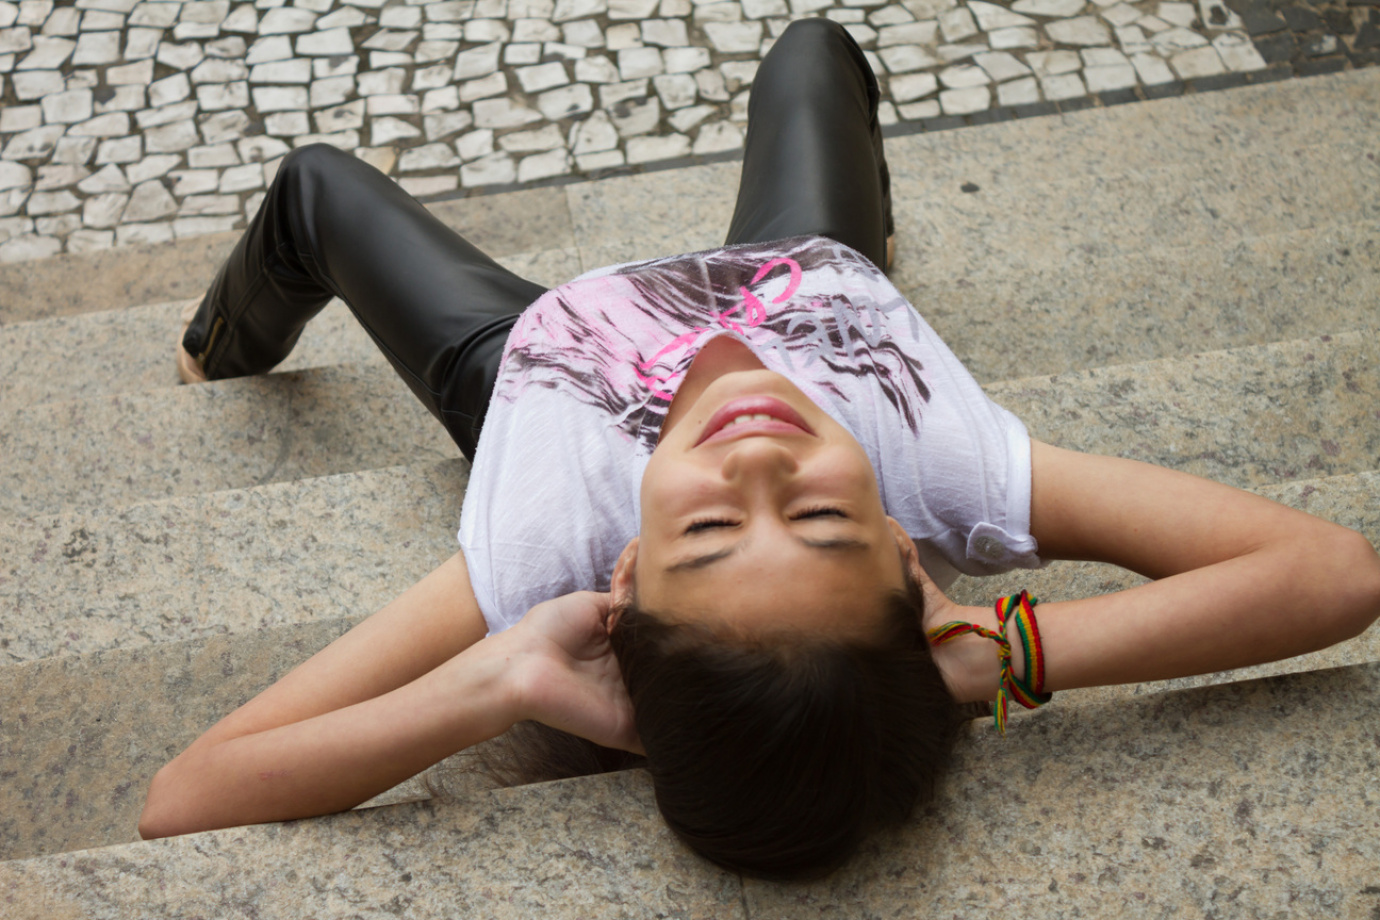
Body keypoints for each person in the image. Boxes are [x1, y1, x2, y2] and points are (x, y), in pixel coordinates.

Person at [137, 19, 1380, 880]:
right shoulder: (937, 460)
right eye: (825, 521)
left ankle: (215, 350)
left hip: (545, 352)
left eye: (710, 529)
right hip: (806, 278)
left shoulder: (543, 546)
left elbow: (186, 795)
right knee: (812, 52)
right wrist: (991, 658)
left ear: (619, 577)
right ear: (906, 549)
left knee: (315, 187)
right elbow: (1333, 573)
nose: (758, 465)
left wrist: (499, 679)